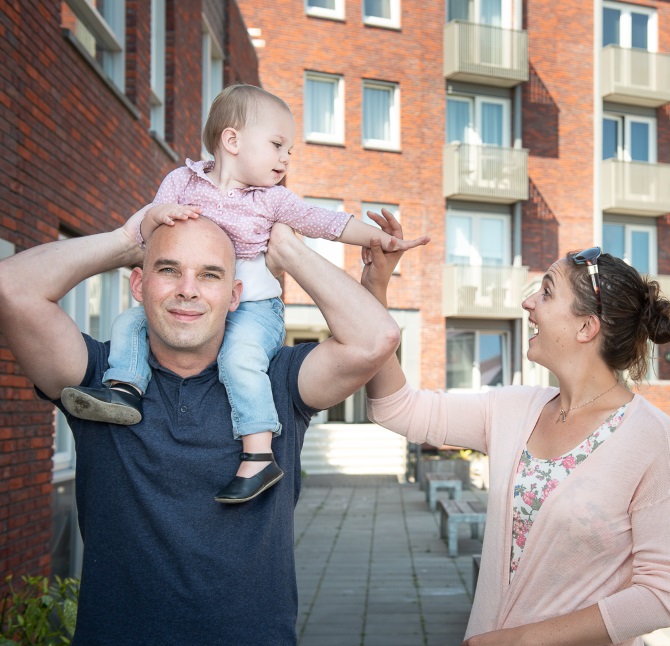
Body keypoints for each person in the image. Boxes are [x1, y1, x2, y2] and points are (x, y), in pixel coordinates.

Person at [0, 213, 402, 646]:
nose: (187, 289)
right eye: (168, 269)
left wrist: (289, 251)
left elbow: (375, 339)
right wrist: (125, 239)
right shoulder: (100, 380)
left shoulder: (277, 383)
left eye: (209, 275)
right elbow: (12, 287)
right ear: (138, 285)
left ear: (235, 296)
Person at [59, 83, 429, 503]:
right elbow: (151, 228)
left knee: (240, 359)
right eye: (277, 145)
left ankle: (258, 454)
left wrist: (378, 238)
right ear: (231, 140)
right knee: (128, 321)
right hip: (196, 296)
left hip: (253, 307)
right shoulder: (182, 179)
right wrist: (157, 216)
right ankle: (124, 388)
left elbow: (325, 221)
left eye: (289, 149)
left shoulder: (272, 200)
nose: (286, 158)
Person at [360, 211, 670, 646]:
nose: (528, 303)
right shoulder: (512, 408)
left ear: (586, 327)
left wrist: (517, 642)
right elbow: (395, 408)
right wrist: (374, 291)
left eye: (547, 293)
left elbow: (660, 595)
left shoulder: (651, 437)